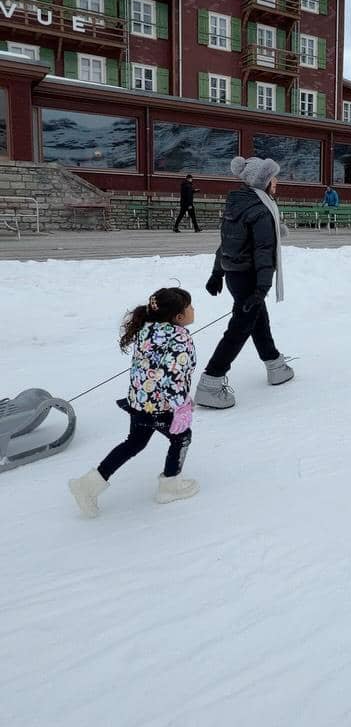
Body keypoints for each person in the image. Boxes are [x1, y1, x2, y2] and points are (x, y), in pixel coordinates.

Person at [68, 287, 199, 517]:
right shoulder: (180, 337)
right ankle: (170, 487)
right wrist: (181, 406)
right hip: (161, 406)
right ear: (178, 316)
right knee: (182, 437)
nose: (193, 310)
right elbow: (172, 376)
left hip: (139, 402)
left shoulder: (146, 329)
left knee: (135, 442)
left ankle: (87, 485)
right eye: (189, 306)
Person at [195, 156, 294, 409]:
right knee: (240, 327)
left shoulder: (238, 203)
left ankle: (275, 364)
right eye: (273, 177)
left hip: (235, 275)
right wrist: (262, 288)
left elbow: (227, 243)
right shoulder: (260, 210)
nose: (277, 182)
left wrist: (218, 273)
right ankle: (211, 382)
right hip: (250, 277)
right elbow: (263, 251)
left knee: (258, 319)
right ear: (262, 181)